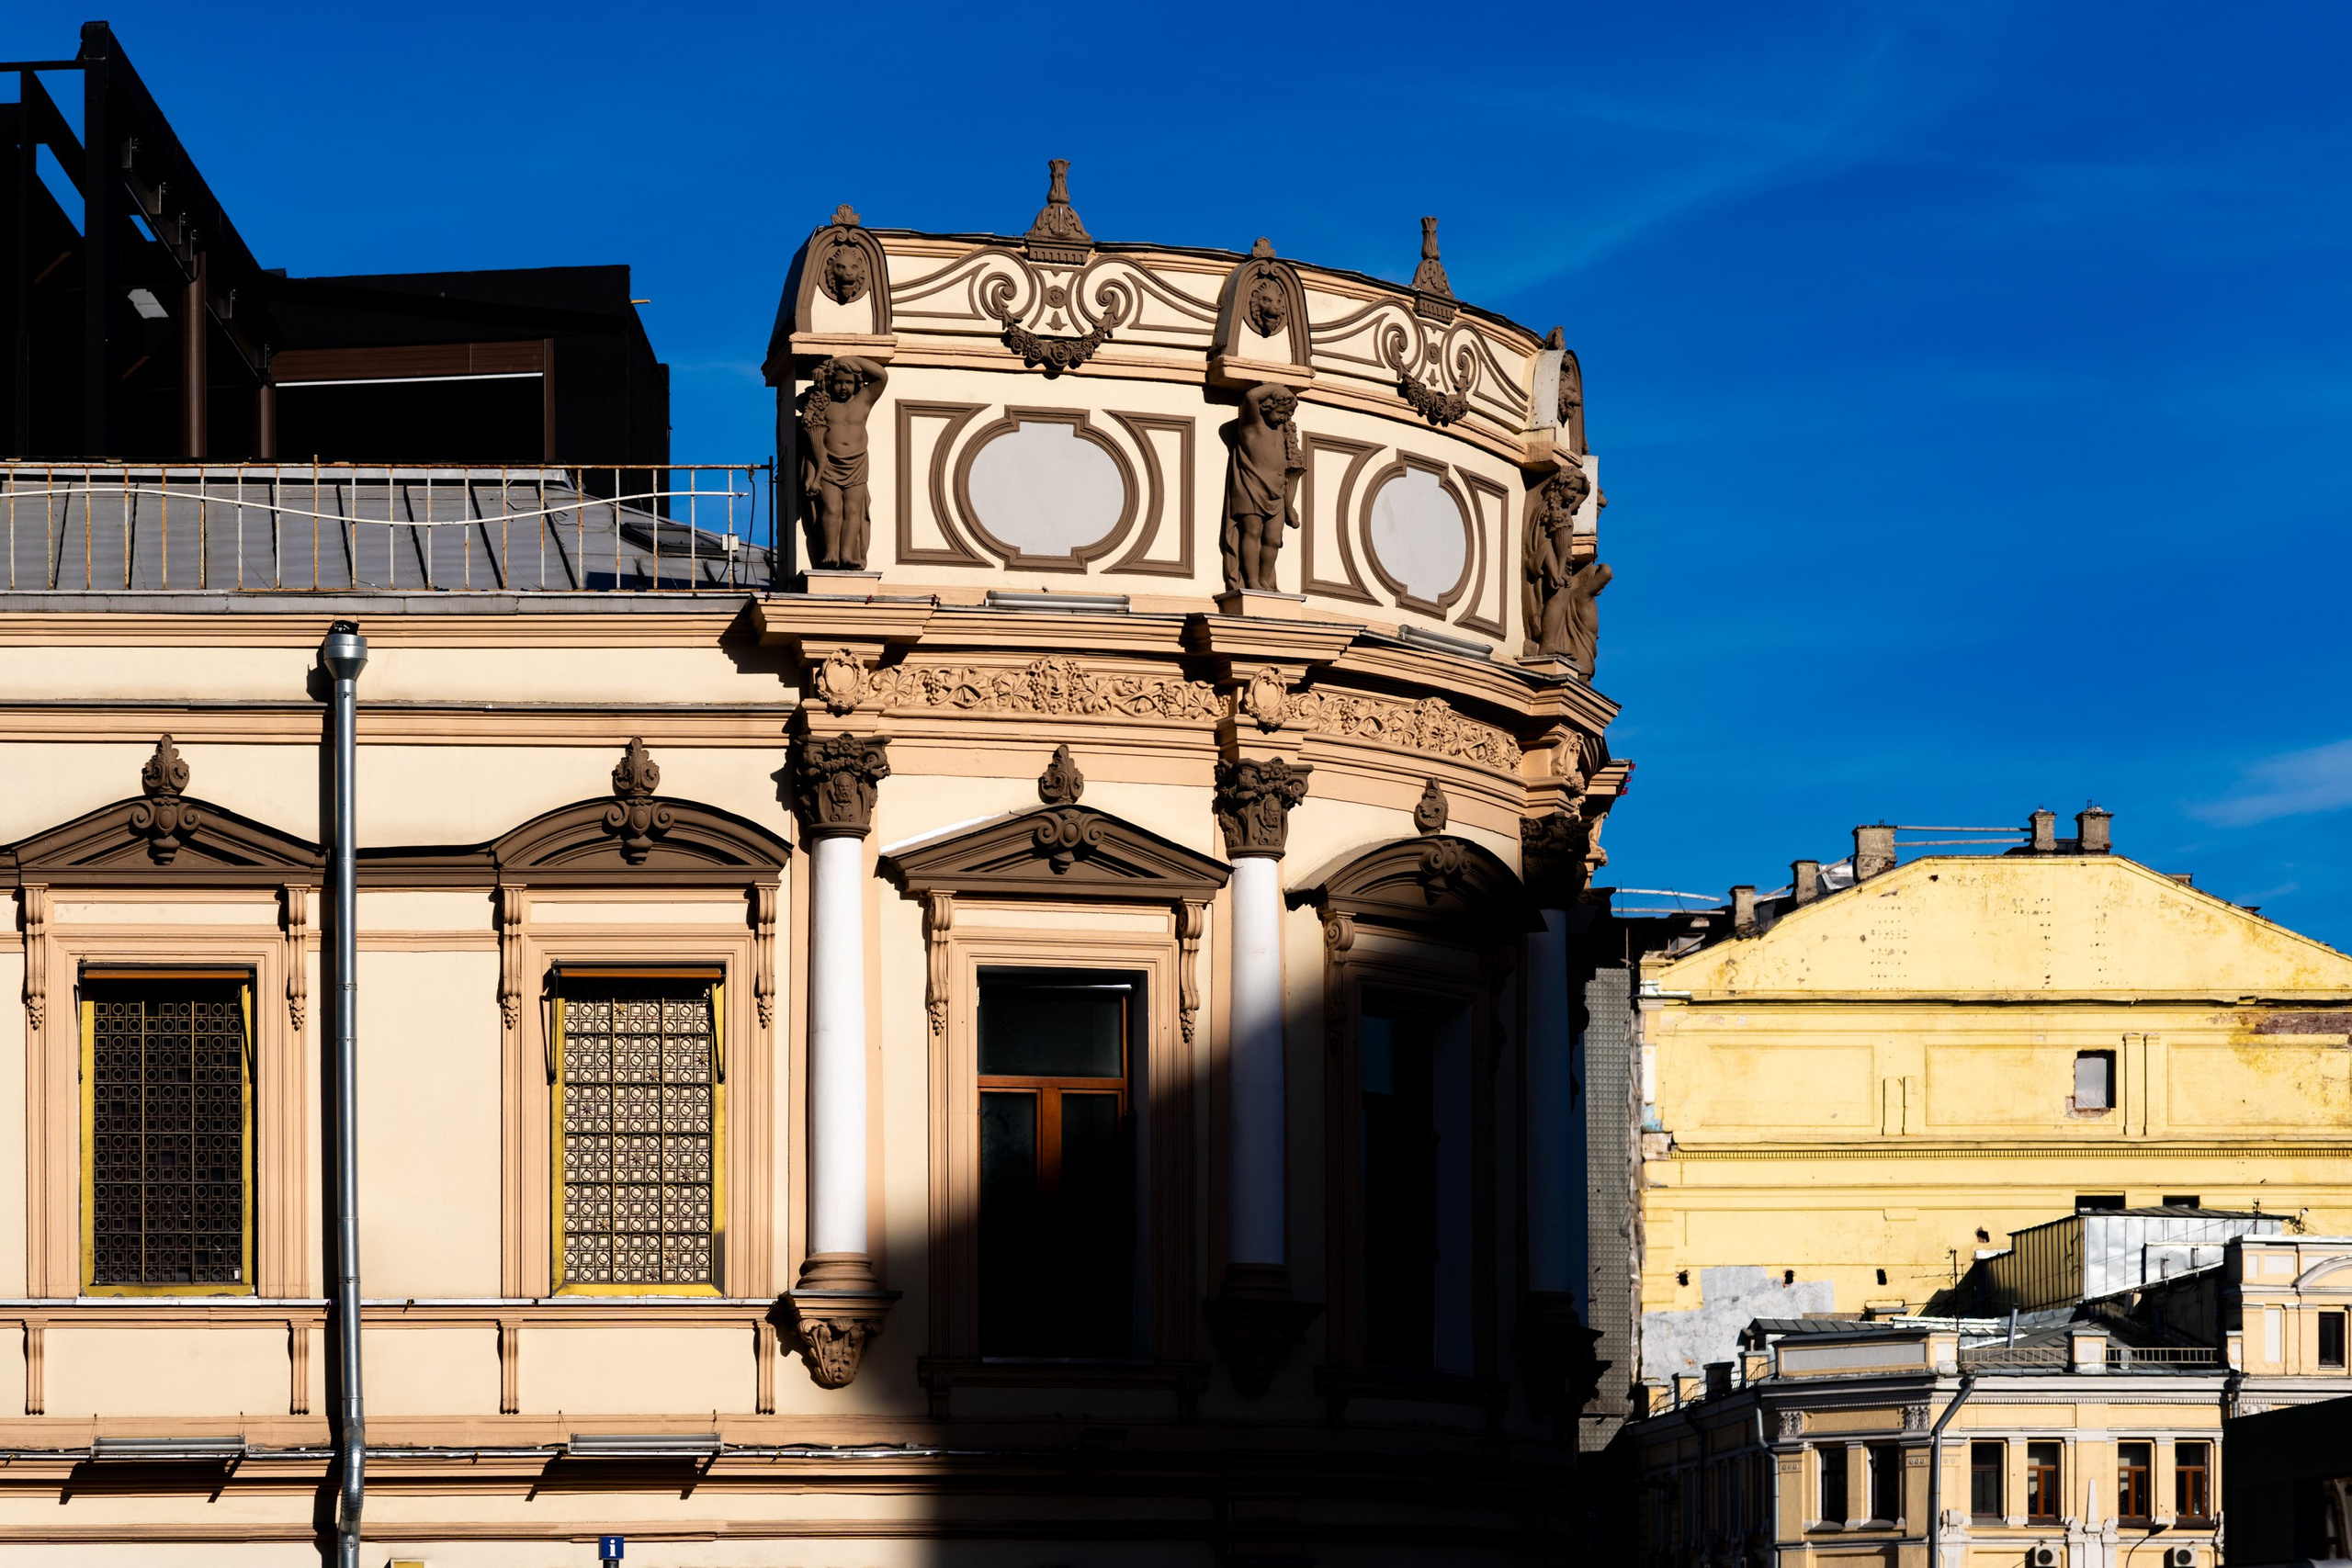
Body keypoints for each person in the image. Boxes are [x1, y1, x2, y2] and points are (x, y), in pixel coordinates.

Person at [800, 355, 888, 569]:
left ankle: (847, 553)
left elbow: (882, 376)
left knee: (853, 510)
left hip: (857, 464)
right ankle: (831, 551)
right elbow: (814, 443)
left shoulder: (864, 400)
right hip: (829, 464)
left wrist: (847, 358)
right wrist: (812, 476)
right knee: (831, 509)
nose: (843, 387)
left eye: (848, 383)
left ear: (857, 383)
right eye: (839, 382)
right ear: (831, 382)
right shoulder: (823, 405)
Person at [1221, 383, 1306, 592]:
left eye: (1287, 415)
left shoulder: (1280, 432)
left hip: (1276, 494)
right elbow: (1250, 396)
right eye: (1280, 413)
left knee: (1274, 540)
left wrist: (1289, 506)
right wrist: (1280, 385)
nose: (1283, 419)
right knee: (1252, 532)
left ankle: (1265, 579)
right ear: (1267, 407)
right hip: (1252, 487)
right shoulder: (1252, 425)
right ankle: (1251, 581)